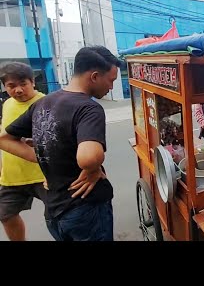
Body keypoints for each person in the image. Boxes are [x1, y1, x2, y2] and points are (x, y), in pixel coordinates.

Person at [0, 46, 122, 241]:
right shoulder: (88, 109)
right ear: (95, 76)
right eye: (111, 80)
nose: (111, 87)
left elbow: (4, 139)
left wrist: (44, 158)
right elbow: (88, 158)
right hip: (85, 211)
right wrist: (92, 168)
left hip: (55, 214)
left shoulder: (43, 103)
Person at [0, 62, 45, 241]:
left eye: (23, 84)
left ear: (33, 82)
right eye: (11, 85)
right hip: (12, 177)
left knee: (60, 215)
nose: (18, 90)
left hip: (43, 175)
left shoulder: (46, 102)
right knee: (6, 215)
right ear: (4, 86)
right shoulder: (7, 104)